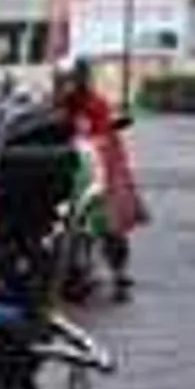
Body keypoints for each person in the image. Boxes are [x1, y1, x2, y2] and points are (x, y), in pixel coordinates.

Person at [51, 56, 147, 301]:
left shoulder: (96, 104)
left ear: (82, 79)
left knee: (109, 222)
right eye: (62, 80)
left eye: (71, 80)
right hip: (62, 170)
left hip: (96, 171)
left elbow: (104, 134)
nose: (66, 85)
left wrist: (98, 142)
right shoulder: (53, 106)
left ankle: (119, 273)